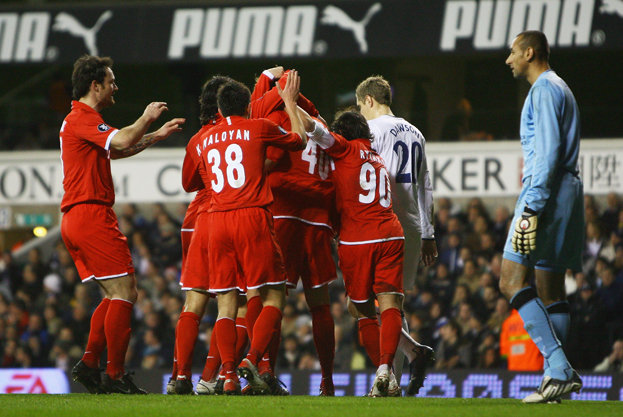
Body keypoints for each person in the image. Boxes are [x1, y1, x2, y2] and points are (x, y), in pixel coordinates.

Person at [61, 55, 184, 394]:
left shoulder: (84, 122)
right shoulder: (81, 118)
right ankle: (113, 375)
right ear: (94, 85)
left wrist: (155, 135)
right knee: (126, 292)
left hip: (78, 216)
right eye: (111, 81)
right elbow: (120, 140)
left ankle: (89, 365)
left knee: (113, 295)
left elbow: (116, 151)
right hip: (90, 213)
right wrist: (145, 117)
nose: (116, 87)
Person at [200, 73, 307, 395]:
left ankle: (227, 375)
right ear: (248, 105)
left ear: (219, 108)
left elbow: (200, 180)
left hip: (217, 220)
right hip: (251, 216)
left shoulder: (203, 140)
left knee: (226, 303)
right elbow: (298, 140)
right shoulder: (258, 127)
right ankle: (252, 359)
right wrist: (288, 102)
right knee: (275, 292)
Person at [499, 30, 583, 403]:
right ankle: (556, 380)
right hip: (566, 192)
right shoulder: (561, 87)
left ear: (529, 52)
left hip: (545, 193)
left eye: (513, 52)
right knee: (551, 289)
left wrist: (532, 205)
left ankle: (558, 365)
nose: (509, 59)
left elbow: (547, 153)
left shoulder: (544, 90)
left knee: (510, 280)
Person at [305, 109, 404, 397]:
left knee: (361, 311)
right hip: (391, 233)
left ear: (343, 134)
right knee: (390, 304)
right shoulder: (377, 158)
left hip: (359, 239)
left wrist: (290, 100)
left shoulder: (345, 148)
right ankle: (386, 371)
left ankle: (385, 373)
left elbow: (313, 129)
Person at [258, 69, 338, 396]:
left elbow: (257, 108)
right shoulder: (322, 125)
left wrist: (271, 81)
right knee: (320, 304)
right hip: (318, 218)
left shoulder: (277, 116)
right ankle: (328, 382)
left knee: (274, 298)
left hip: (286, 213)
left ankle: (266, 371)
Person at [356, 75, 436, 395]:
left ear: (370, 101)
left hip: (383, 223)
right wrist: (428, 232)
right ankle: (396, 377)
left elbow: (371, 176)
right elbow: (425, 184)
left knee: (373, 305)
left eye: (361, 106)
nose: (361, 113)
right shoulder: (415, 132)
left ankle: (392, 374)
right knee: (393, 305)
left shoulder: (371, 131)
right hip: (414, 225)